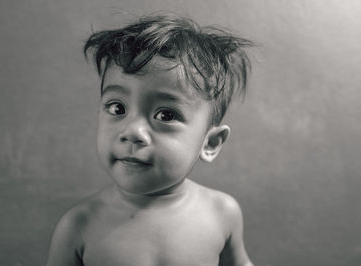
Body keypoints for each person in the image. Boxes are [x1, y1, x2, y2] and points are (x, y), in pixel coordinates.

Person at [46, 14, 254, 266]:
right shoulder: (79, 226)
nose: (132, 131)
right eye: (117, 108)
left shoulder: (221, 213)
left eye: (166, 114)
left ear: (210, 143)